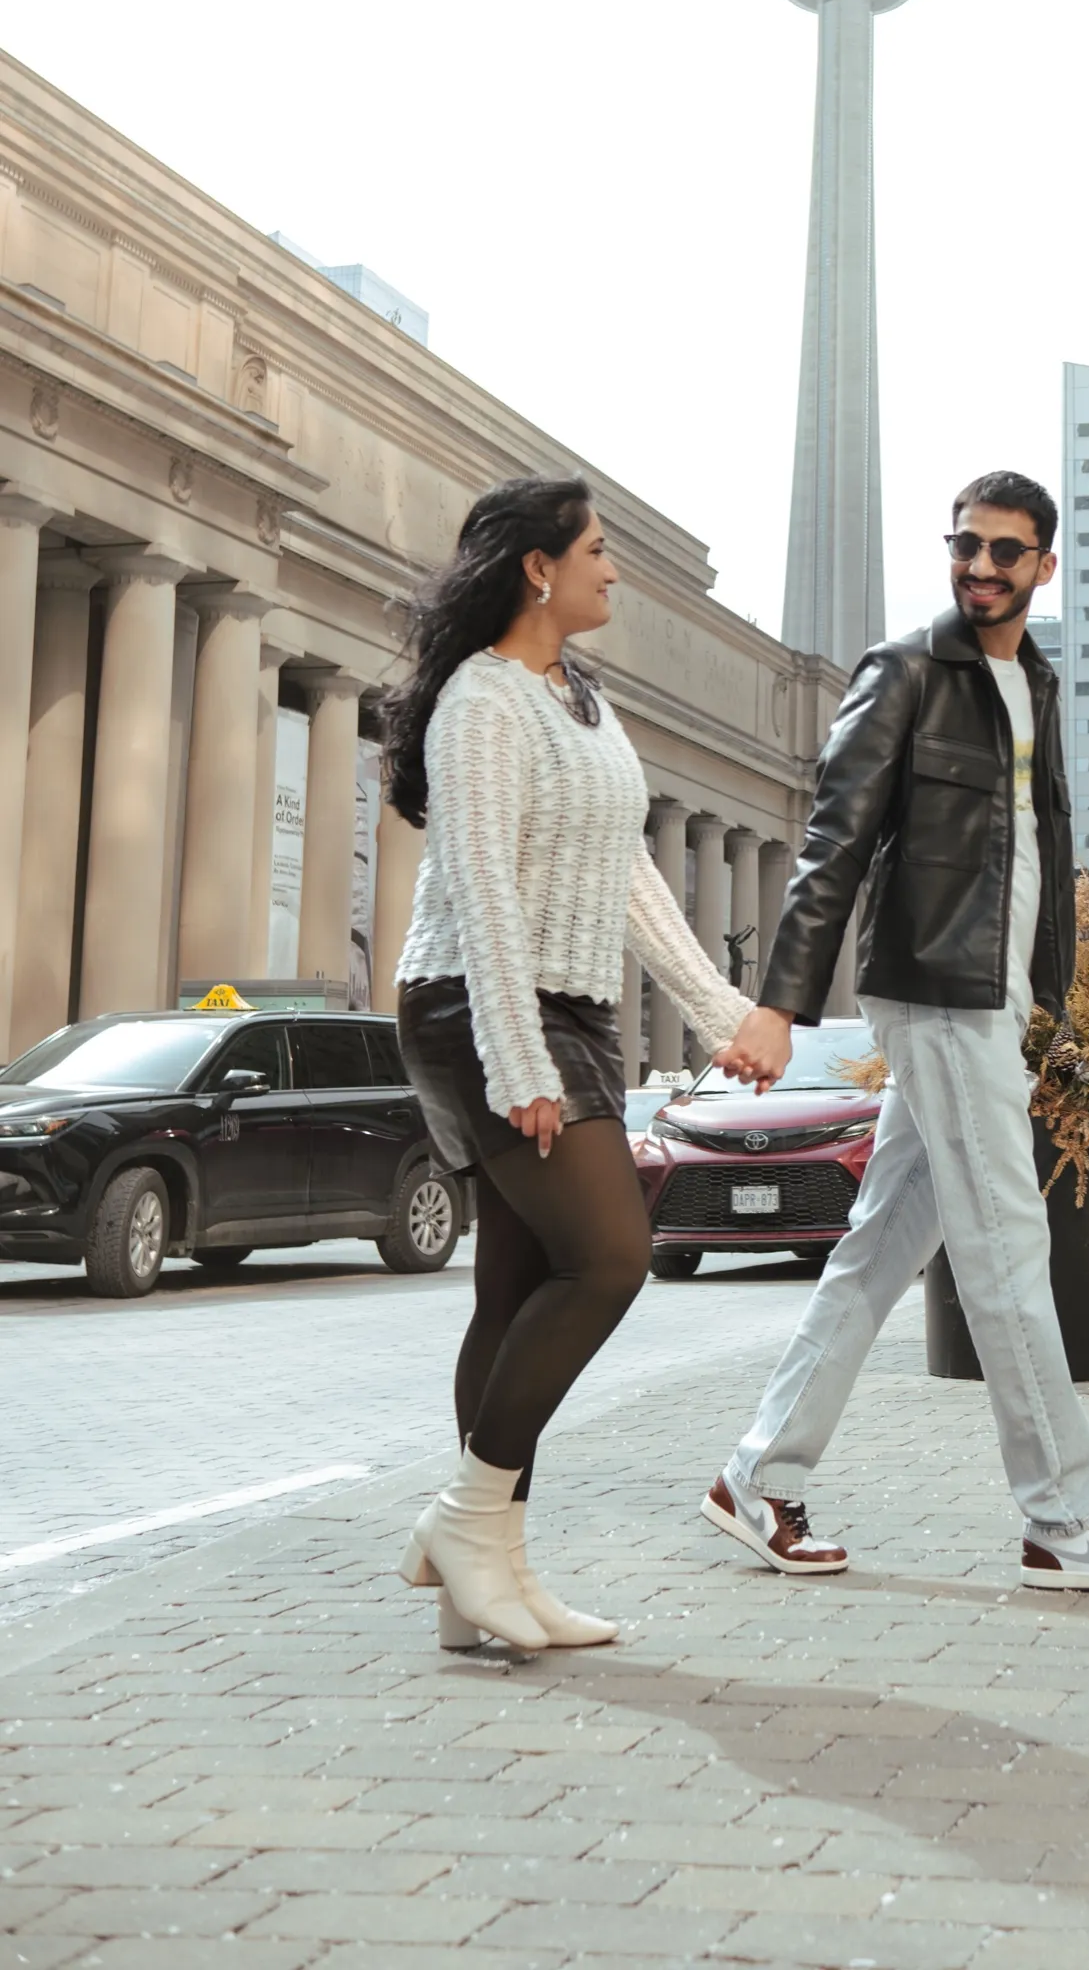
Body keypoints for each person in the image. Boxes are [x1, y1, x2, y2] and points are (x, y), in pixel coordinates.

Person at [701, 473, 1089, 1592]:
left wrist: (1048, 1001)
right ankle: (1066, 1520)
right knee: (1005, 1248)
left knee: (881, 1248)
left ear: (1042, 567)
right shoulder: (904, 674)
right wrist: (778, 1004)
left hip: (994, 1000)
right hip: (932, 988)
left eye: (1005, 552)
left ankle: (756, 1476)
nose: (980, 568)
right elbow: (832, 842)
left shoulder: (1036, 683)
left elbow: (1039, 860)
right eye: (966, 545)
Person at [383, 475, 782, 1652]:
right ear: (537, 568)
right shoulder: (480, 706)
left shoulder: (582, 701)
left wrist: (718, 1011)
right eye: (600, 551)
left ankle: (482, 1582)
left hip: (568, 1010)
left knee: (513, 1291)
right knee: (609, 1257)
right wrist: (518, 1062)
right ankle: (468, 1524)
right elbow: (487, 896)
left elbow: (626, 877)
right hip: (477, 1007)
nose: (617, 571)